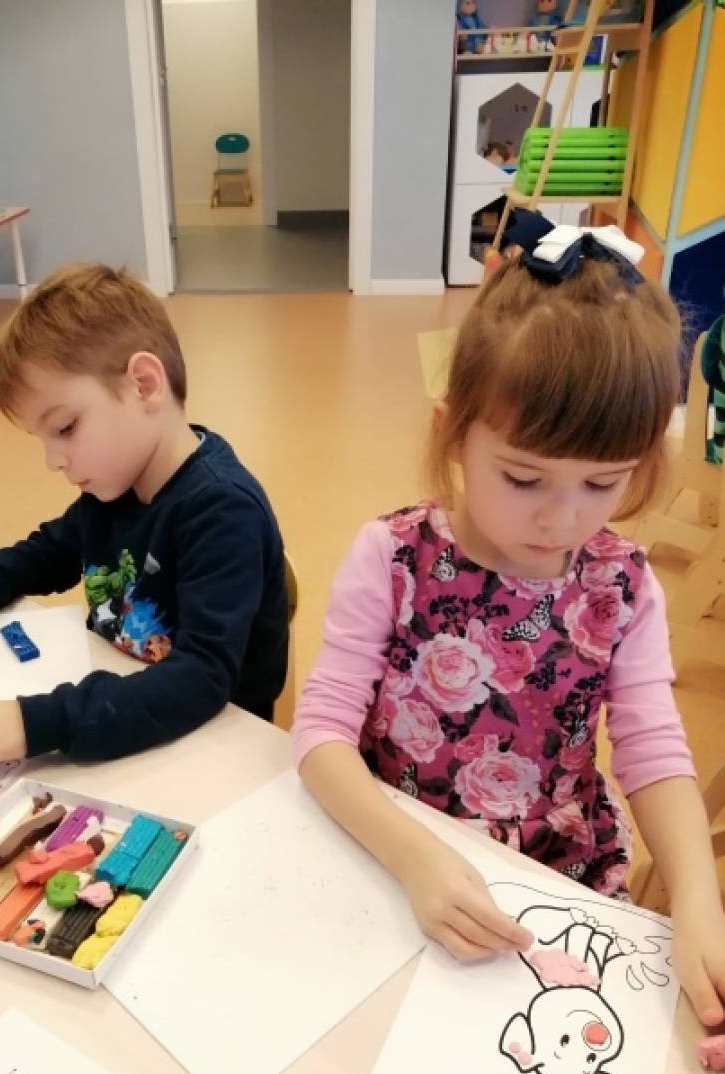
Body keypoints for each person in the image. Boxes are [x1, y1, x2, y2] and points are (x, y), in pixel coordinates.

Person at [292, 215, 725, 1029]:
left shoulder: (624, 586)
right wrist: (415, 857)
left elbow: (653, 748)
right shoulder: (391, 558)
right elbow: (320, 733)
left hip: (552, 875)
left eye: (602, 484)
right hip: (391, 850)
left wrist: (698, 898)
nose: (562, 518)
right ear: (453, 433)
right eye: (524, 479)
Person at [0, 263, 288, 765]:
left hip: (215, 741)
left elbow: (202, 678)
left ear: (144, 384)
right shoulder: (116, 485)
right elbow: (50, 551)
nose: (53, 461)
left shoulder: (222, 511)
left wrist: (43, 723)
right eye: (43, 439)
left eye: (65, 428)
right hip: (126, 704)